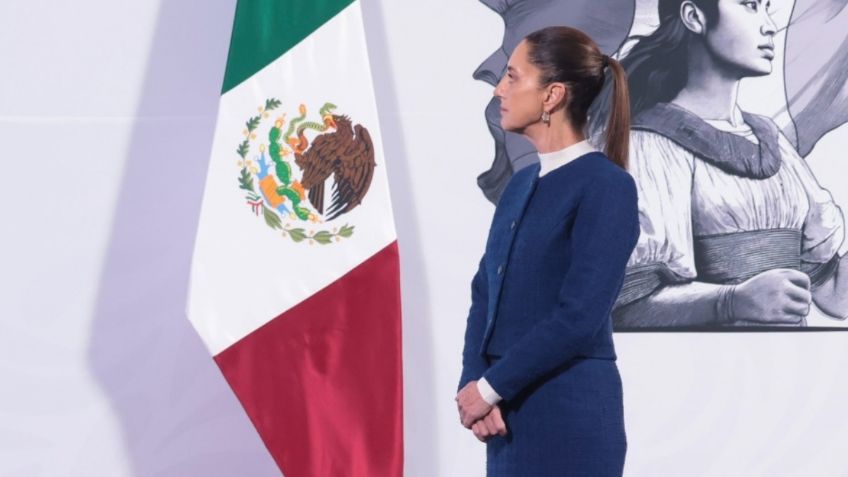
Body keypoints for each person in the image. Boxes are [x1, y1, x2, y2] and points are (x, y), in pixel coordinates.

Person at [586, 0, 847, 328]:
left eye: (767, 8)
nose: (769, 26)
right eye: (750, 5)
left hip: (788, 358)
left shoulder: (771, 139)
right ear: (693, 16)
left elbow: (832, 294)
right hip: (705, 358)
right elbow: (626, 304)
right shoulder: (648, 143)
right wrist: (731, 301)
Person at [455, 26, 639, 476]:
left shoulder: (606, 186)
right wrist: (473, 385)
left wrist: (490, 387)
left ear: (552, 95)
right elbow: (485, 291)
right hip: (506, 418)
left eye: (513, 77)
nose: (499, 89)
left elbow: (579, 316)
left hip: (568, 416)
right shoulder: (520, 185)